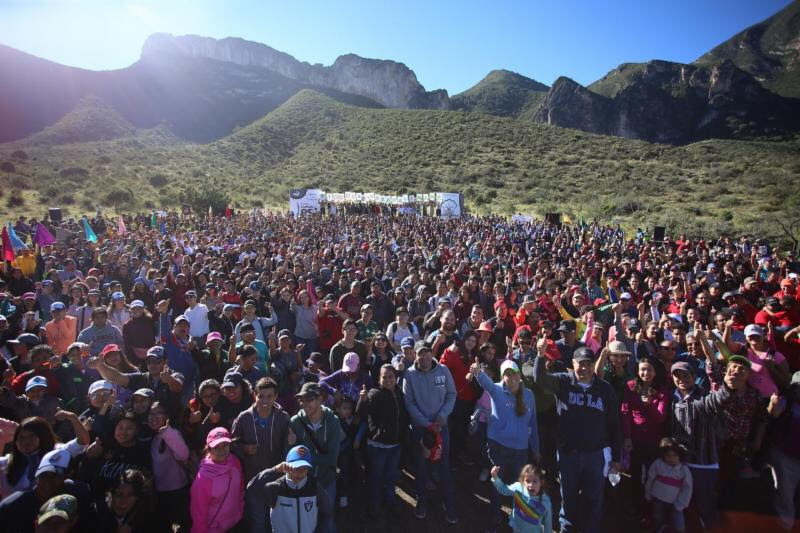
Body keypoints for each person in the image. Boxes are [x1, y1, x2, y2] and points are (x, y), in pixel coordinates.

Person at [533, 344, 622, 533]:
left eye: (589, 364)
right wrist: (540, 355)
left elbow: (614, 424)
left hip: (595, 455)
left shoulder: (605, 389)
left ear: (594, 365)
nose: (584, 368)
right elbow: (540, 379)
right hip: (569, 454)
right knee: (568, 496)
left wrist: (616, 457)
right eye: (580, 363)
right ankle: (567, 528)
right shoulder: (564, 381)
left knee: (594, 498)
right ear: (573, 364)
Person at [470, 359, 540, 532]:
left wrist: (536, 449)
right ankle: (494, 519)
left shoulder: (529, 395)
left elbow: (533, 424)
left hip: (521, 451)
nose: (512, 378)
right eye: (508, 374)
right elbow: (484, 381)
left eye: (514, 373)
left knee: (520, 487)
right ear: (503, 377)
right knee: (497, 485)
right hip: (498, 448)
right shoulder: (496, 390)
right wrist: (477, 371)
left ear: (519, 375)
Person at [402, 341, 458, 524]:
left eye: (427, 353)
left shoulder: (443, 370)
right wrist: (427, 424)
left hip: (442, 428)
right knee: (421, 467)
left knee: (443, 466)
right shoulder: (409, 375)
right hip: (420, 430)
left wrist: (442, 416)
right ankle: (421, 500)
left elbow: (452, 394)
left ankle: (448, 503)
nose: (424, 357)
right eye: (420, 353)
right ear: (415, 355)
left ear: (432, 354)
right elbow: (409, 403)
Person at [289, 382, 342, 533]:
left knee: (327, 515)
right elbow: (290, 458)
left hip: (326, 479)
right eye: (302, 400)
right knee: (305, 518)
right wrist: (292, 446)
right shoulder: (295, 422)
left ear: (320, 399)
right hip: (303, 481)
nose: (304, 404)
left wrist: (305, 457)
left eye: (309, 399)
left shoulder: (333, 422)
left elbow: (332, 459)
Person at [356, 364, 408, 519]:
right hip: (378, 446)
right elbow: (361, 412)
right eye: (384, 377)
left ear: (396, 378)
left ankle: (390, 501)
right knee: (376, 478)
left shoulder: (399, 392)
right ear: (379, 378)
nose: (388, 380)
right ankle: (374, 505)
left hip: (395, 445)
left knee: (391, 476)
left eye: (391, 376)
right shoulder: (374, 394)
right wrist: (362, 400)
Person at [244, 445, 318, 533]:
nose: (300, 472)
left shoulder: (315, 488)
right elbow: (252, 488)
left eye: (305, 468)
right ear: (286, 466)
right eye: (296, 467)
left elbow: (326, 515)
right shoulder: (276, 487)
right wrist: (275, 470)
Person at [230, 377, 291, 482]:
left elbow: (288, 447)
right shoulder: (244, 417)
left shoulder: (283, 418)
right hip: (252, 477)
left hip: (277, 477)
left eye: (269, 396)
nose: (265, 400)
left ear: (276, 396)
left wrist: (291, 441)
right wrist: (244, 448)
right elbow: (231, 444)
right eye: (261, 396)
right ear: (254, 395)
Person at [190, 427, 244, 533]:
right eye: (216, 447)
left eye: (225, 445)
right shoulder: (203, 479)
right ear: (209, 449)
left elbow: (240, 489)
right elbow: (198, 514)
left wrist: (240, 509)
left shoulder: (235, 462)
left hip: (235, 523)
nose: (222, 450)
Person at [148, 401, 191, 531]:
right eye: (151, 414)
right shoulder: (154, 436)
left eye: (158, 413)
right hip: (160, 493)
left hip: (178, 492)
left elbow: (183, 454)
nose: (154, 417)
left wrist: (167, 433)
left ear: (167, 416)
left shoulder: (172, 433)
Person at [767, 371, 800, 531]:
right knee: (785, 491)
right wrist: (773, 404)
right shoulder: (786, 401)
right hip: (786, 454)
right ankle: (785, 524)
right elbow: (773, 414)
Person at [645, 437, 692, 533]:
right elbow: (650, 478)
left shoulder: (684, 470)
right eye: (668, 455)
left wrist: (681, 503)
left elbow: (687, 488)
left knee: (678, 525)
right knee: (658, 520)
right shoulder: (658, 464)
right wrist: (647, 494)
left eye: (675, 455)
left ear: (679, 456)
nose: (671, 458)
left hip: (676, 503)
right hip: (658, 499)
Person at [490, 463, 552, 533]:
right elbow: (503, 489)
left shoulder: (545, 502)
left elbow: (548, 525)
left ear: (541, 482)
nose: (531, 485)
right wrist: (495, 477)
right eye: (528, 481)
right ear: (522, 481)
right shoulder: (518, 488)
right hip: (513, 529)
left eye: (535, 481)